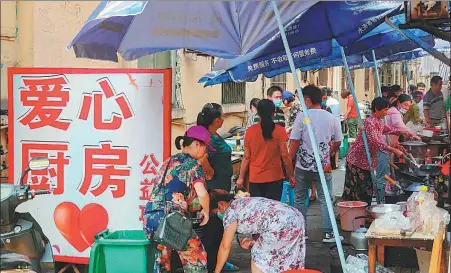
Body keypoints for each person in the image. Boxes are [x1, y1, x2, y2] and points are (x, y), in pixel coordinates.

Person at [143, 126, 211, 273]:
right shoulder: (192, 164)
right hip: (172, 220)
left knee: (162, 262)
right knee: (196, 259)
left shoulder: (168, 162)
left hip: (151, 219)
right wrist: (206, 210)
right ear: (197, 145)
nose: (206, 152)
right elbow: (202, 193)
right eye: (206, 147)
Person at [289, 85, 343, 243]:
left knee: (300, 198)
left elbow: (294, 142)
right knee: (326, 198)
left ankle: (302, 232)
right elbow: (338, 141)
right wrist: (329, 152)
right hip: (324, 166)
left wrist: (289, 163)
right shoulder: (331, 118)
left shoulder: (302, 116)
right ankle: (328, 233)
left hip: (303, 166)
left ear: (307, 99)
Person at [211, 190, 306, 273]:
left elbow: (225, 246)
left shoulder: (230, 213)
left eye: (215, 212)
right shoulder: (240, 201)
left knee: (259, 256)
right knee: (287, 257)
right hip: (295, 217)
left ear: (220, 205)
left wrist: (216, 271)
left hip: (281, 225)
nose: (218, 215)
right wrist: (254, 242)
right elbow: (261, 222)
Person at [196, 103, 239, 272]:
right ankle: (212, 264)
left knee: (219, 225)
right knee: (213, 228)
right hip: (214, 190)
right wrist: (210, 172)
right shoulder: (208, 138)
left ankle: (218, 260)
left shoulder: (213, 135)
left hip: (221, 187)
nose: (223, 119)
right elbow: (202, 157)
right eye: (221, 117)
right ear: (215, 120)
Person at [342, 98, 406, 205]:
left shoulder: (379, 121)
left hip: (368, 162)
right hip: (357, 161)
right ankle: (352, 214)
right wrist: (394, 150)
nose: (386, 113)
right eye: (385, 110)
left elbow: (388, 130)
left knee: (367, 190)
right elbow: (376, 143)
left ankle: (363, 213)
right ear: (376, 109)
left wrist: (404, 132)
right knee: (356, 191)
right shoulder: (368, 123)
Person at [236, 99, 295, 200]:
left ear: (258, 113)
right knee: (273, 210)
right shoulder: (279, 131)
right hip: (275, 177)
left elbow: (246, 157)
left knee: (258, 211)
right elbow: (285, 155)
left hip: (255, 178)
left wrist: (241, 177)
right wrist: (291, 175)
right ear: (273, 113)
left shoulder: (250, 131)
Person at [325, 87, 341, 170]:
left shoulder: (327, 103)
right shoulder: (336, 101)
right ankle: (336, 163)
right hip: (337, 122)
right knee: (337, 144)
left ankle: (330, 162)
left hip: (330, 124)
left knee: (330, 144)